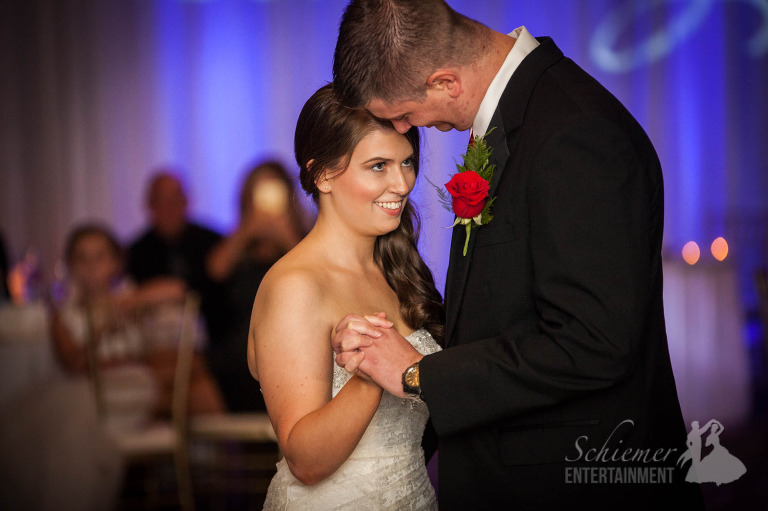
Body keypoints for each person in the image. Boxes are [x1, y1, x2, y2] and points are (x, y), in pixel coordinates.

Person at [331, 1, 704, 509]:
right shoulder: (529, 116)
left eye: (400, 114)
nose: (402, 129)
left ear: (444, 83)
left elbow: (595, 342)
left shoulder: (575, 134)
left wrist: (420, 373)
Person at [247, 83, 444, 509]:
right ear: (323, 175)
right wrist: (372, 375)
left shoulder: (396, 270)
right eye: (378, 166)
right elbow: (306, 461)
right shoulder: (295, 285)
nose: (402, 182)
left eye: (407, 161)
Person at [206, 161, 308, 412]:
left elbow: (317, 274)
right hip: (237, 354)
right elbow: (213, 272)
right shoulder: (236, 244)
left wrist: (286, 234)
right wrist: (247, 230)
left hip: (293, 353)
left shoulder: (306, 240)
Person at [127, 171, 224, 349]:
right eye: (161, 201)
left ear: (186, 201)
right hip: (152, 348)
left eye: (175, 199)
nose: (169, 207)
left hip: (213, 343)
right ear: (149, 205)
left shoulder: (213, 241)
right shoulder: (134, 253)